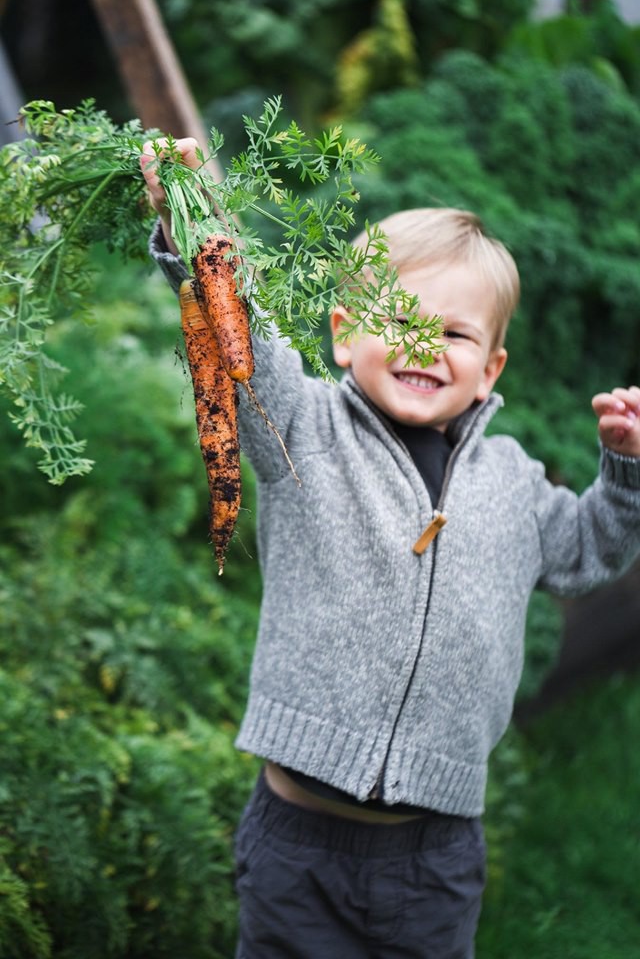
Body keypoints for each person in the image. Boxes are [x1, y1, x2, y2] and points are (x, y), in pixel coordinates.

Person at [141, 140, 640, 959]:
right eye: (397, 319)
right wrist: (195, 226)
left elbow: (590, 549)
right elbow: (244, 342)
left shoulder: (511, 482)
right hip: (298, 840)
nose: (422, 343)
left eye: (452, 332)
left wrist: (626, 473)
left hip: (435, 856)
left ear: (490, 369)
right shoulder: (301, 428)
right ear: (343, 336)